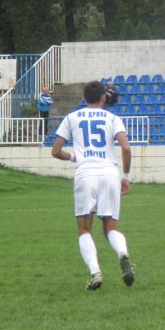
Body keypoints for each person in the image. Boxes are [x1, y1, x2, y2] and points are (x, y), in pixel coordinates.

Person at [51, 80, 135, 290]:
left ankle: (95, 272)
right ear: (104, 97)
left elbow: (55, 151)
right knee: (110, 227)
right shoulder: (113, 118)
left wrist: (73, 157)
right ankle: (123, 253)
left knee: (84, 229)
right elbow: (126, 148)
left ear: (84, 97)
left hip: (85, 173)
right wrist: (126, 176)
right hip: (109, 173)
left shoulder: (72, 117)